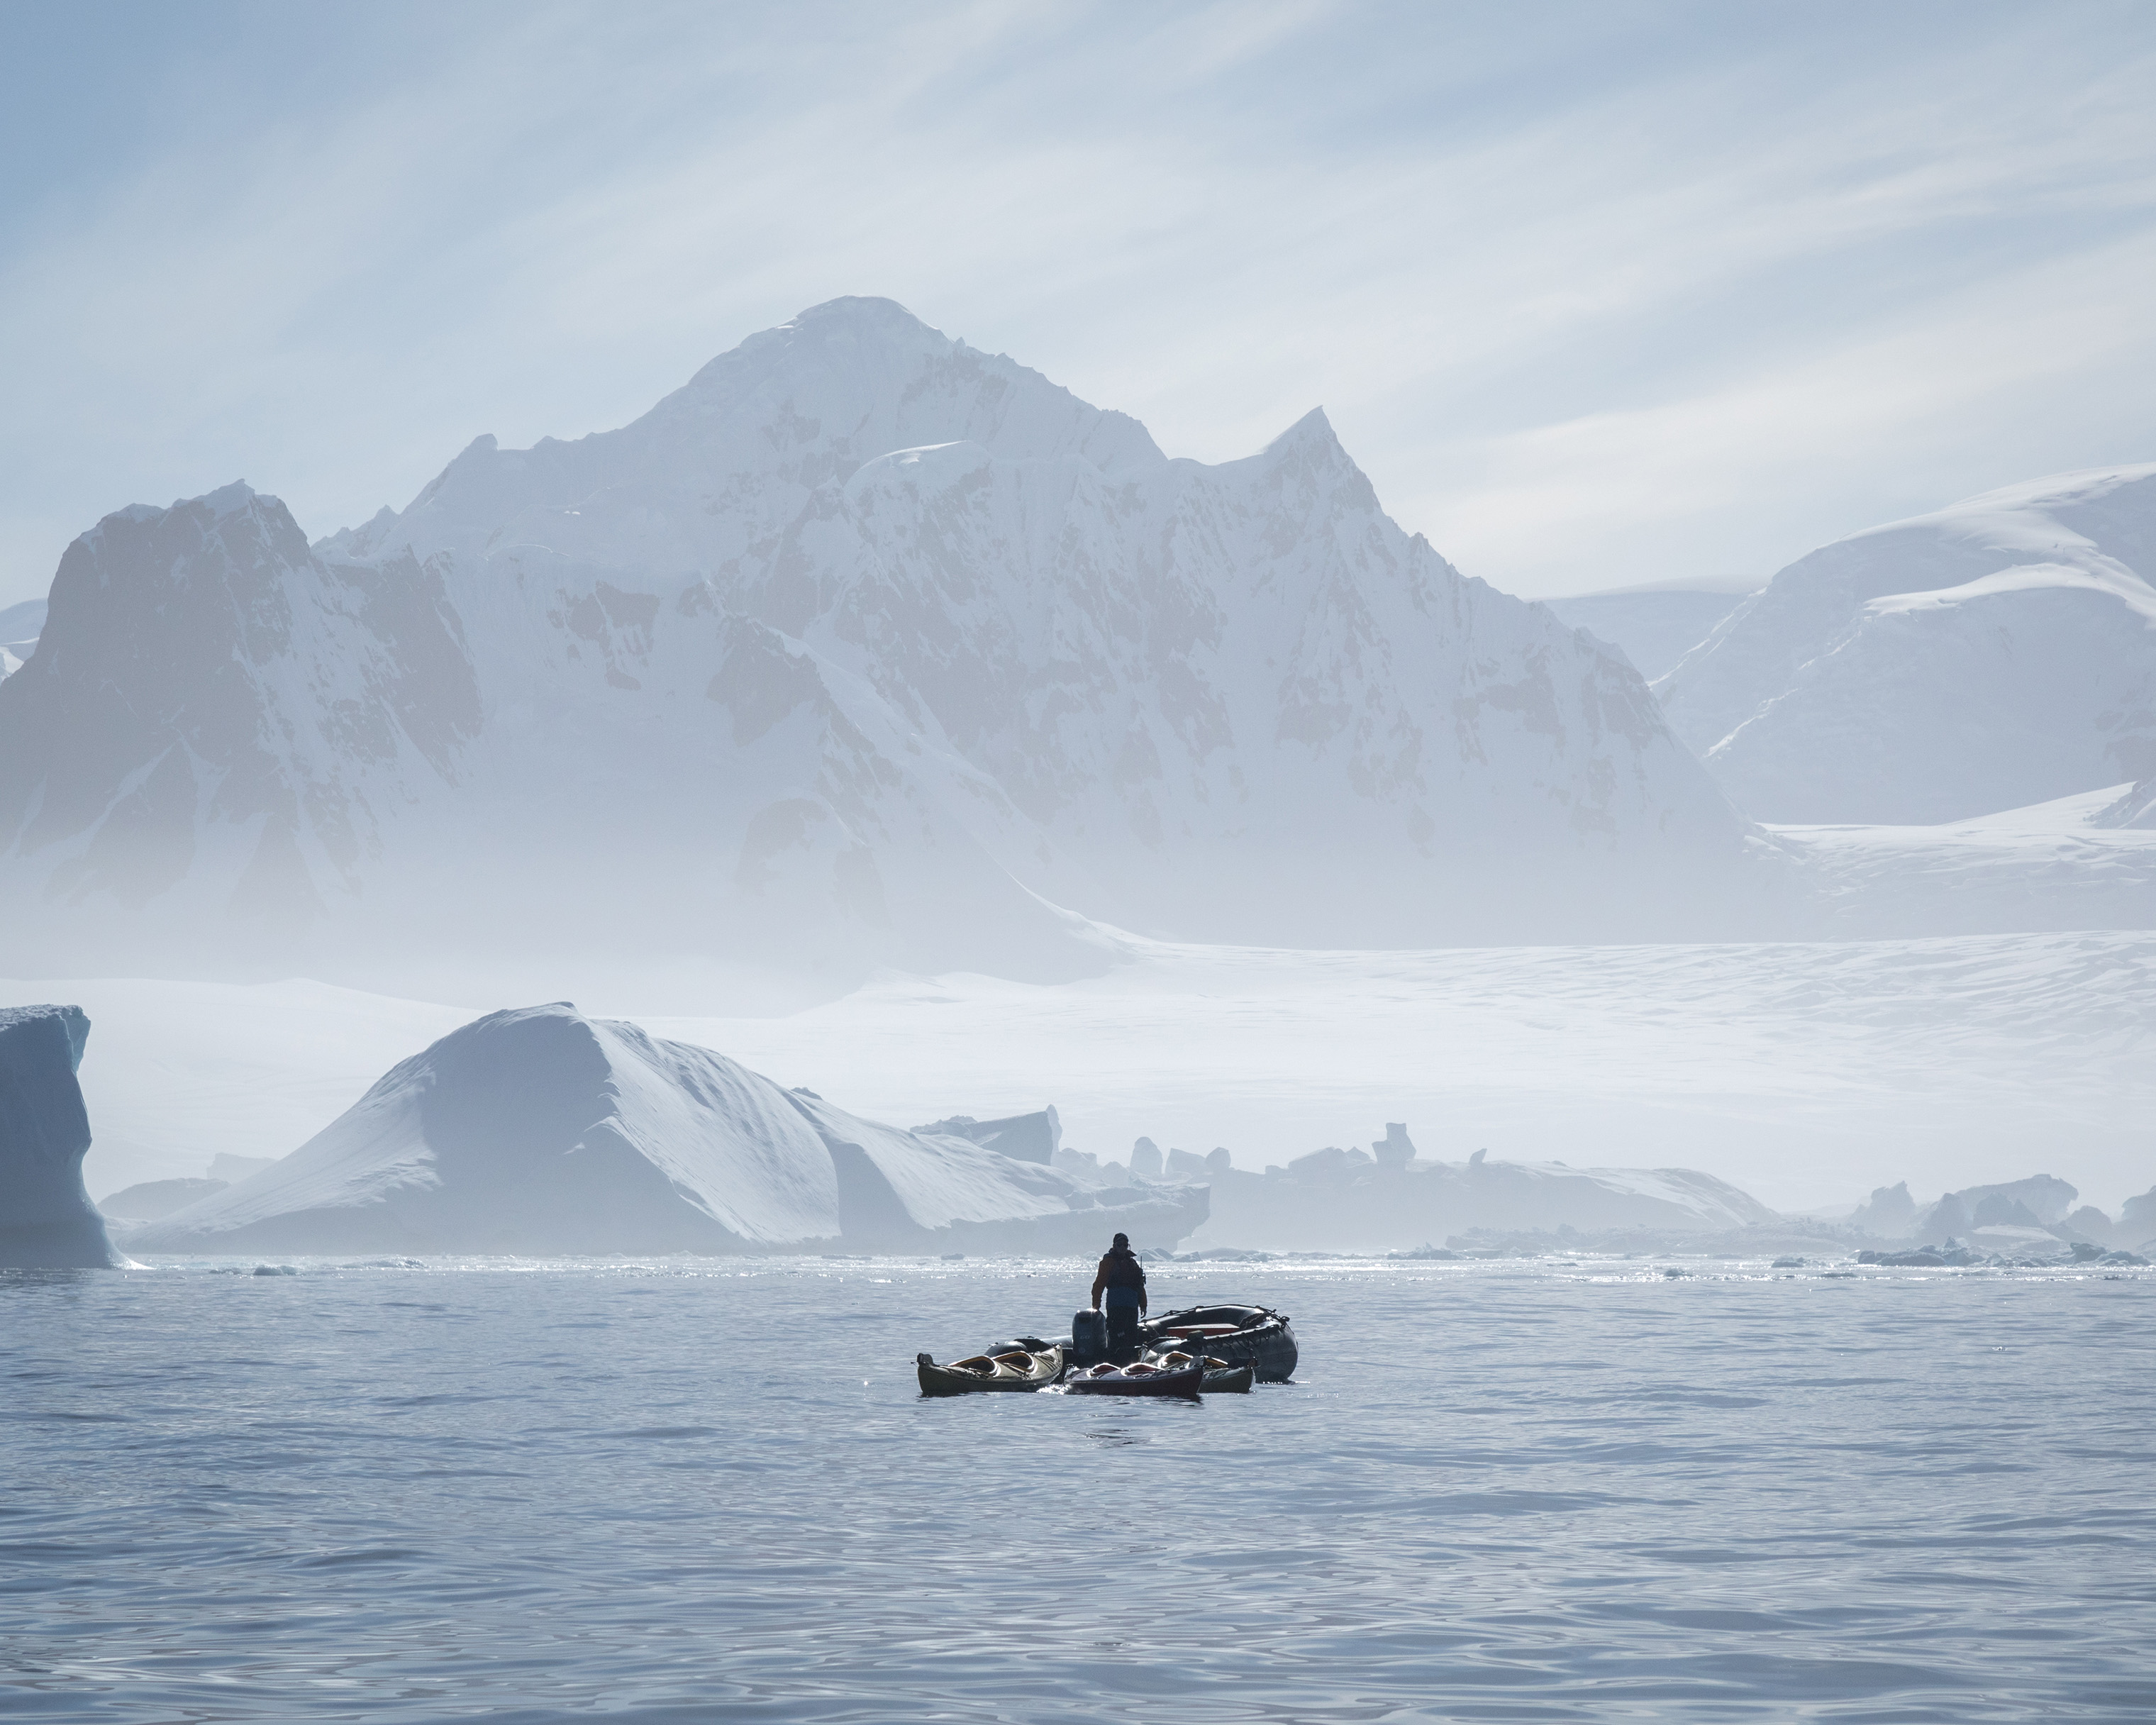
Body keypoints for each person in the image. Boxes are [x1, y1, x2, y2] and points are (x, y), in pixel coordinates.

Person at [1091, 1231, 1147, 1348]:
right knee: (1117, 1335)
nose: (1122, 1247)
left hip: (1131, 1306)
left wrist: (1143, 1304)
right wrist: (1096, 1305)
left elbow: (1139, 1286)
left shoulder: (1132, 1264)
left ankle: (1129, 1357)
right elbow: (1099, 1285)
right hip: (1115, 1306)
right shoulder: (1108, 1262)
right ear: (1114, 1246)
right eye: (1119, 1245)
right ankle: (1115, 1355)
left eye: (1125, 1245)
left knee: (1131, 1336)